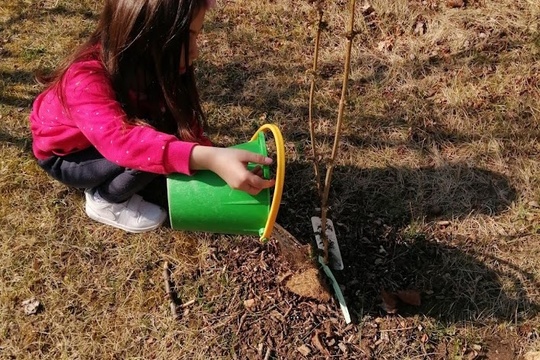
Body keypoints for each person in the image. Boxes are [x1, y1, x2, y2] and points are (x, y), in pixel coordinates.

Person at [29, 0, 275, 233]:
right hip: (70, 156)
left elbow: (181, 115)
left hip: (107, 135)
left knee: (163, 138)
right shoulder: (83, 79)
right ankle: (105, 200)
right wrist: (207, 158)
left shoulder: (148, 62)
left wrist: (209, 154)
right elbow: (123, 143)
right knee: (147, 150)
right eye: (187, 39)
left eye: (196, 37)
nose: (195, 52)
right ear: (146, 35)